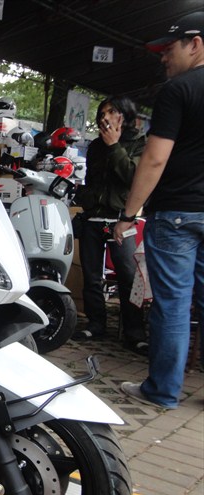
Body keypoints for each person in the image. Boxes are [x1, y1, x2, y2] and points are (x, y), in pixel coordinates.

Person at [114, 12, 204, 410]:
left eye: (169, 49)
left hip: (177, 215)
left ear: (195, 44)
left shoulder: (179, 89)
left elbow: (154, 158)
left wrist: (128, 214)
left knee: (173, 305)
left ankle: (163, 391)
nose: (163, 58)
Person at [73, 96, 148, 355]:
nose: (105, 117)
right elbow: (92, 180)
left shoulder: (139, 144)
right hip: (94, 218)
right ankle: (96, 324)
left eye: (112, 111)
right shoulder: (95, 146)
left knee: (128, 275)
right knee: (92, 276)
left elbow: (133, 178)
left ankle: (134, 333)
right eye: (102, 113)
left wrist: (115, 146)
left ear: (125, 115)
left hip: (122, 220)